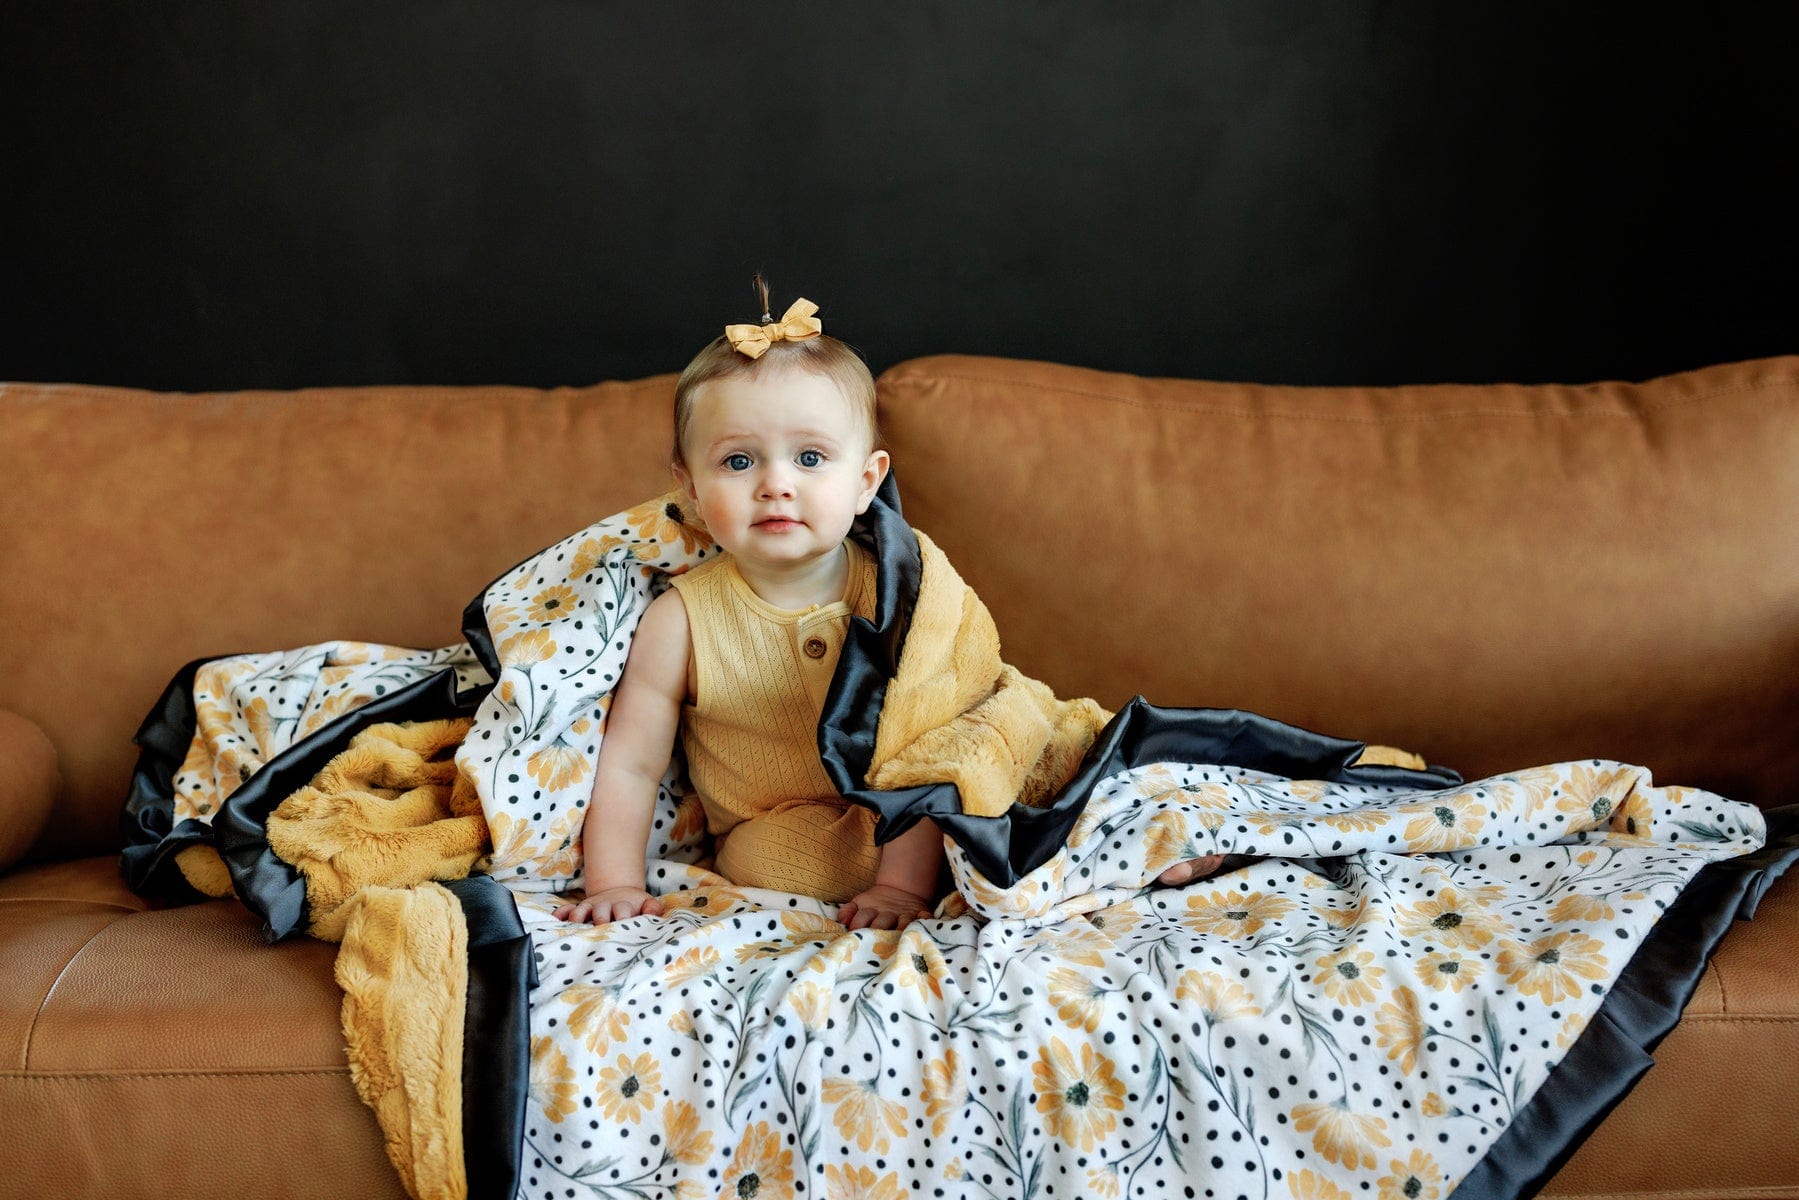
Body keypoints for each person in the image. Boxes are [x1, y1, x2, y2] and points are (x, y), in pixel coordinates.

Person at [554, 277, 1219, 931]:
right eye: (737, 463)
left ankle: (1142, 830)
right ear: (691, 491)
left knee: (1038, 761)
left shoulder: (902, 589)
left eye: (810, 457)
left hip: (935, 786)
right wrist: (613, 883)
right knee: (767, 865)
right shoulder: (680, 620)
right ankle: (1075, 857)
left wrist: (901, 888)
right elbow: (631, 764)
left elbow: (936, 730)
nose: (776, 484)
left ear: (866, 481)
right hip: (789, 820)